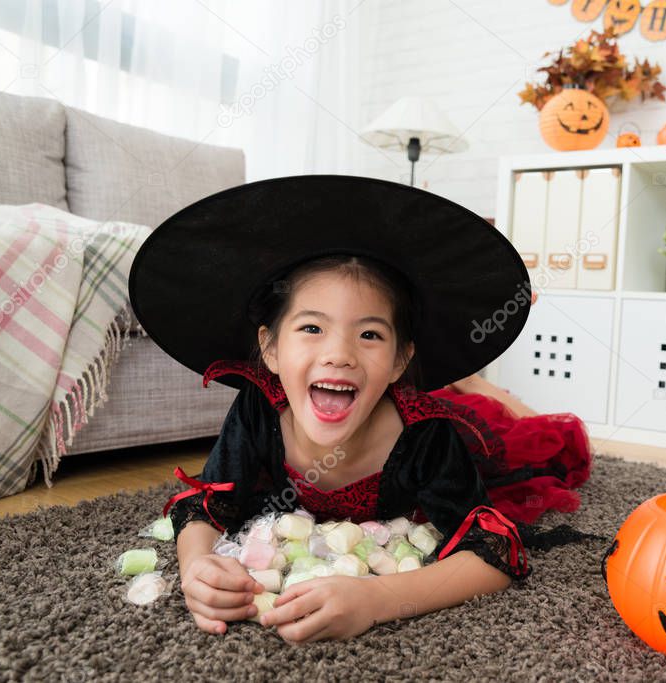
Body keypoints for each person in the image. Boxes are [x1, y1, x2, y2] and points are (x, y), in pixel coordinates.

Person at [128, 175, 599, 645]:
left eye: (369, 334)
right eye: (312, 327)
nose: (340, 354)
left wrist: (376, 599)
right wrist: (196, 568)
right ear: (270, 350)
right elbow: (209, 503)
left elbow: (495, 551)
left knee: (514, 439)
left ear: (399, 360)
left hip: (436, 431)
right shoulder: (259, 406)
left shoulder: (426, 437)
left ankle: (474, 386)